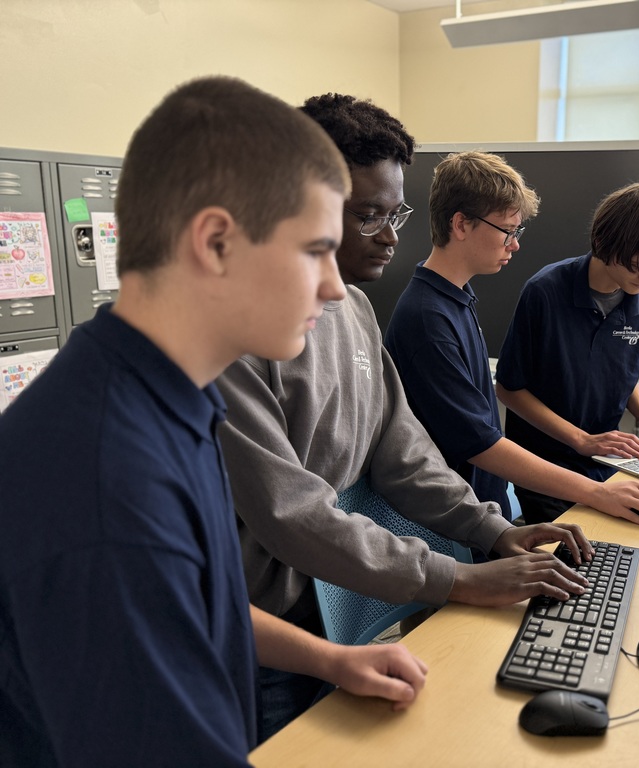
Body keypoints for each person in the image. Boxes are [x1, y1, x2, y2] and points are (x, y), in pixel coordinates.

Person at [0, 77, 430, 767]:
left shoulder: (164, 396)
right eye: (315, 250)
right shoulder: (109, 484)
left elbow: (206, 603)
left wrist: (329, 659)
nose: (332, 285)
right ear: (217, 242)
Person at [215, 94, 593, 741]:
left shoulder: (355, 311)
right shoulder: (232, 339)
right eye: (369, 216)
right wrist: (457, 578)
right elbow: (292, 515)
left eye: (396, 213)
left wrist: (495, 531)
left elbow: (403, 453)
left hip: (333, 603)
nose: (392, 235)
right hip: (262, 636)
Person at [383, 151, 639, 529]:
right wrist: (595, 491)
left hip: (483, 507)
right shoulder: (428, 319)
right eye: (508, 231)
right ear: (461, 224)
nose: (515, 244)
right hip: (454, 518)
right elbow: (481, 444)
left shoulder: (456, 298)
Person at [494, 181, 639, 524]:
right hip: (546, 469)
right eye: (637, 266)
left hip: (608, 463)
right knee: (588, 548)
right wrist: (581, 440)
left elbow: (623, 371)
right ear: (605, 245)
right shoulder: (545, 292)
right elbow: (509, 388)